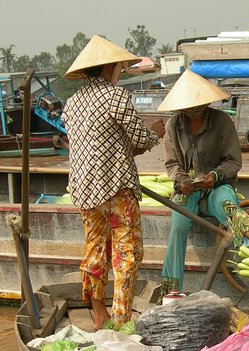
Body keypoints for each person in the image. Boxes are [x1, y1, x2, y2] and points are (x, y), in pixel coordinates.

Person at [62, 35, 166, 330]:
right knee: (127, 252)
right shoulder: (114, 96)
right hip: (115, 190)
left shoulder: (72, 103)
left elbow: (98, 143)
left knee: (95, 250)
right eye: (120, 66)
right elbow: (140, 138)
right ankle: (121, 318)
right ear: (110, 67)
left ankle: (99, 313)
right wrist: (156, 131)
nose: (121, 71)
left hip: (84, 191)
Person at [156, 69, 249, 295]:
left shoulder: (222, 122)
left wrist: (215, 176)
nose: (192, 110)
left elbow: (233, 162)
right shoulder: (173, 126)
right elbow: (172, 165)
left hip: (217, 186)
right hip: (188, 190)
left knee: (228, 205)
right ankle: (171, 290)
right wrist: (182, 181)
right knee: (179, 226)